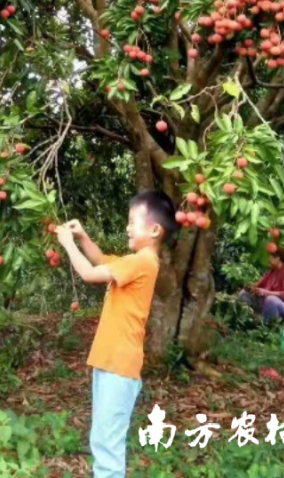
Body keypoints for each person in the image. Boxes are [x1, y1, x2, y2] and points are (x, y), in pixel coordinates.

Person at [55, 189, 180, 478]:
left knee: (107, 449)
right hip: (112, 364)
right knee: (102, 441)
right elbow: (100, 261)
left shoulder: (142, 262)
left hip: (119, 366)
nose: (127, 227)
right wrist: (83, 236)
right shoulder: (136, 261)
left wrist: (67, 244)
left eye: (132, 221)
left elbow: (89, 274)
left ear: (154, 229)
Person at [238, 246, 284, 322]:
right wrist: (250, 287)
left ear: (277, 258)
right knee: (243, 294)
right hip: (267, 304)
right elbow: (258, 286)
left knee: (271, 300)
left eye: (270, 257)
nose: (268, 259)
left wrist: (266, 292)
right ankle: (250, 319)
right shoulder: (271, 271)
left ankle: (270, 326)